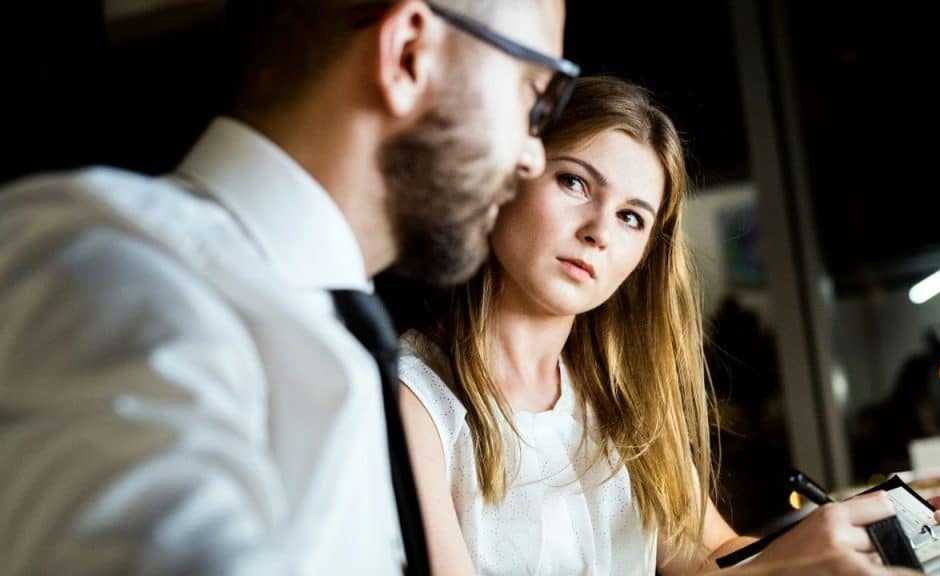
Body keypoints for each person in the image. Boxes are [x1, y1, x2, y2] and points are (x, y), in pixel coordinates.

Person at [0, 1, 575, 573]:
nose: (532, 156)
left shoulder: (340, 332)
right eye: (535, 94)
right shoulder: (109, 270)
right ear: (407, 54)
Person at [396, 76, 940, 575]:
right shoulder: (413, 398)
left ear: (644, 253)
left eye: (631, 217)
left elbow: (711, 554)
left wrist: (848, 552)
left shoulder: (616, 398)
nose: (599, 229)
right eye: (573, 182)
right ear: (511, 176)